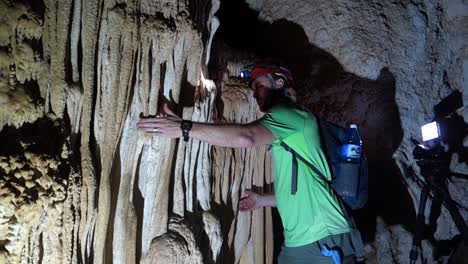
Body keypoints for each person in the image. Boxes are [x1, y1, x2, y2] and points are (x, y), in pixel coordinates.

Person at [137, 62, 356, 263]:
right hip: (299, 241)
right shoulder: (288, 130)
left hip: (323, 236)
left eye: (259, 86)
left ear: (279, 83)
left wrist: (185, 128)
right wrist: (262, 199)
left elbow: (247, 136)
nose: (255, 94)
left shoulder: (292, 114)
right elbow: (298, 193)